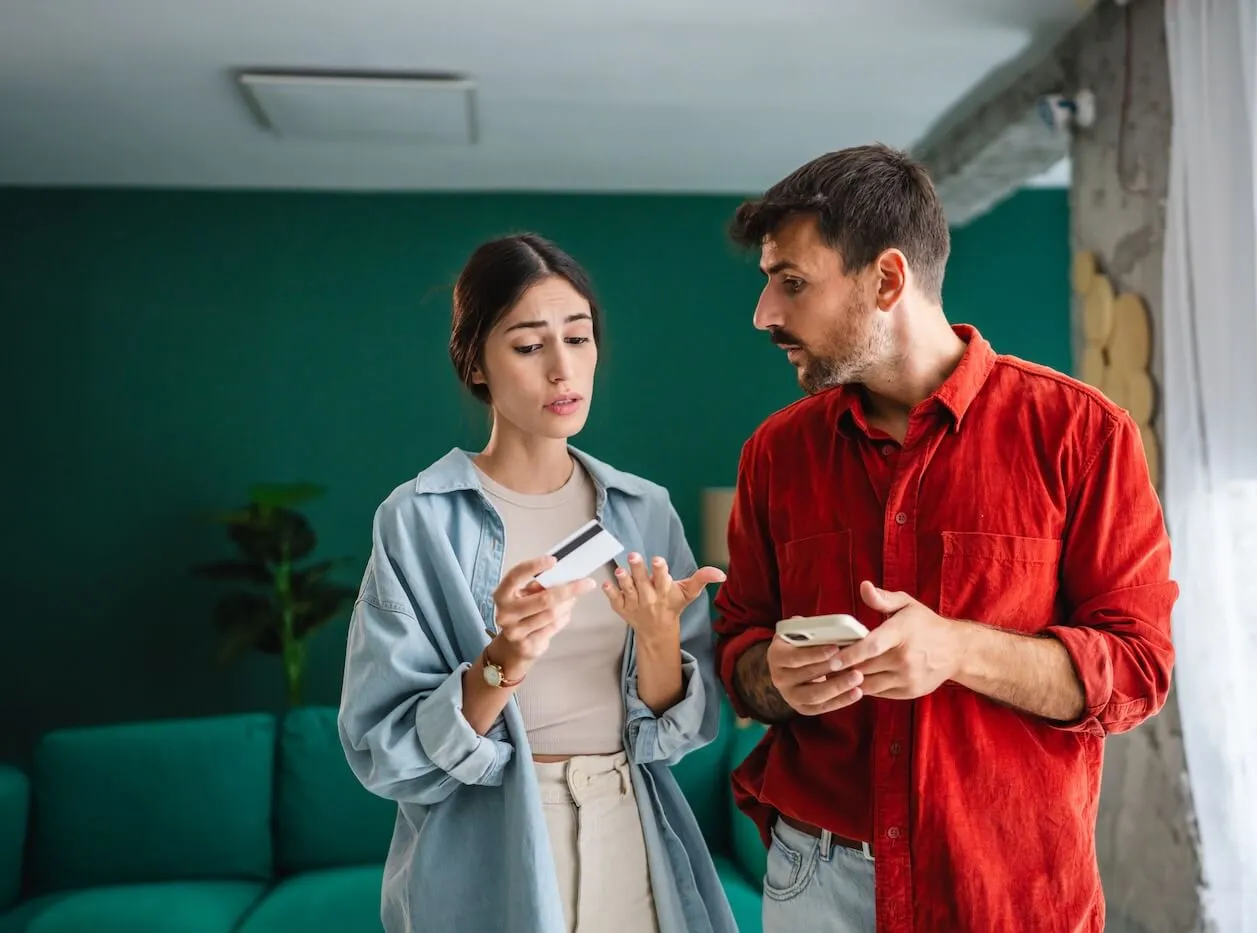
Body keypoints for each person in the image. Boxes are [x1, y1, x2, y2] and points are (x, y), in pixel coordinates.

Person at [712, 144, 1178, 933]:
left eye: (791, 283)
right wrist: (773, 676)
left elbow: (1136, 670)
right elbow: (738, 654)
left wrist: (957, 650)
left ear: (887, 279)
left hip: (1009, 886)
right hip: (815, 882)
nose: (765, 315)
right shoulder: (775, 454)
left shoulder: (1081, 434)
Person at [337, 233, 738, 933]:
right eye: (529, 346)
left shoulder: (645, 510)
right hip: (488, 845)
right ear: (476, 362)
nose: (563, 369)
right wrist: (502, 662)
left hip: (629, 828)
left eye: (578, 339)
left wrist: (657, 639)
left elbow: (675, 734)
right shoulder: (419, 519)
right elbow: (383, 749)